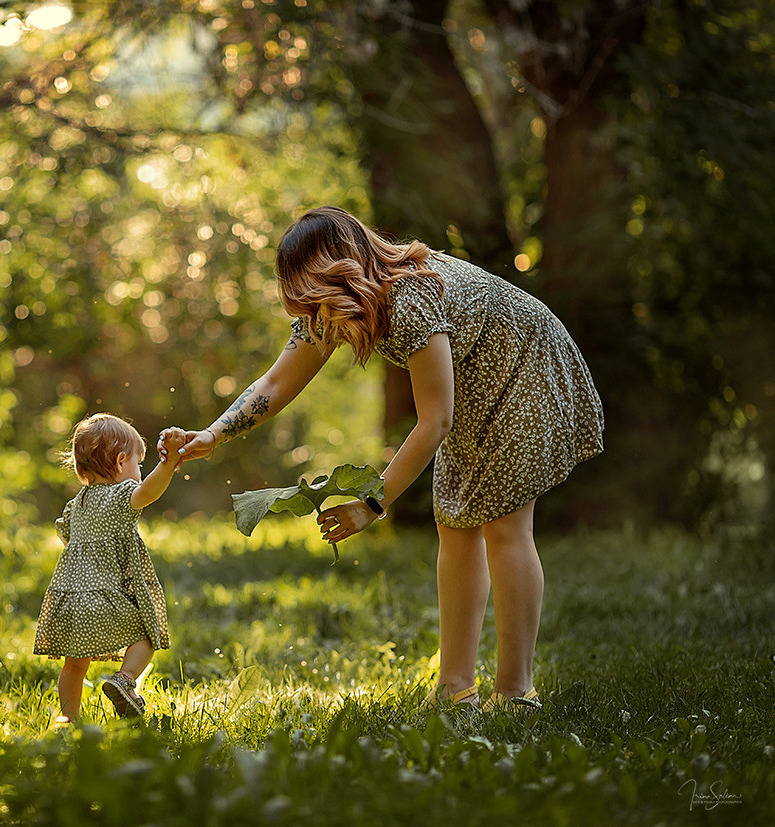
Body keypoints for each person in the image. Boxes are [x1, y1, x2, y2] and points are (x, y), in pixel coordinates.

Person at [163, 206, 603, 712]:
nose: (311, 317)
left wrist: (370, 505)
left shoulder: (409, 296)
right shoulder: (328, 312)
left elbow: (433, 421)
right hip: (475, 380)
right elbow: (276, 383)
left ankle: (516, 693)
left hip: (526, 363)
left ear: (338, 275)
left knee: (505, 526)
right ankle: (456, 689)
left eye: (313, 299)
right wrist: (213, 435)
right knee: (455, 527)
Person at [34, 413, 187, 722]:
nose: (140, 473)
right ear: (120, 463)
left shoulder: (77, 505)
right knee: (146, 634)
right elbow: (149, 492)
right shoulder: (120, 497)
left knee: (74, 666)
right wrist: (168, 462)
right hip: (108, 597)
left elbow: (66, 535)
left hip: (73, 601)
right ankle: (125, 680)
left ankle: (68, 720)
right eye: (139, 465)